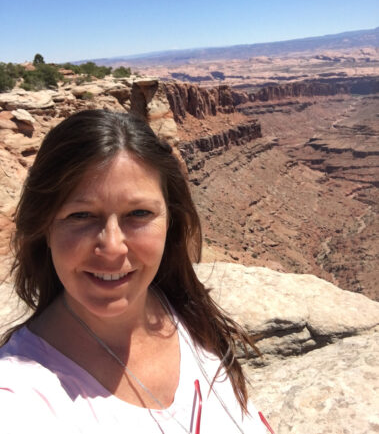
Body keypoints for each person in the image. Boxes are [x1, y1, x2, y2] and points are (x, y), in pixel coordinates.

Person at [0, 109, 270, 433]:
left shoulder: (185, 310)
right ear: (44, 226)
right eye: (81, 215)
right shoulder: (21, 395)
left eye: (138, 213)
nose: (113, 246)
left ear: (171, 220)